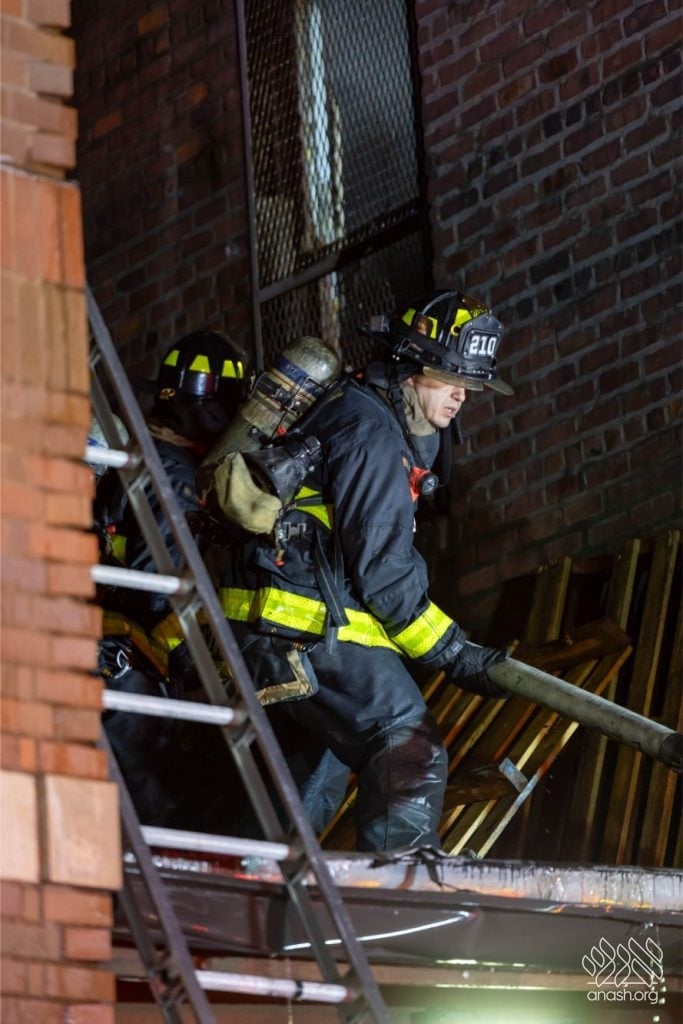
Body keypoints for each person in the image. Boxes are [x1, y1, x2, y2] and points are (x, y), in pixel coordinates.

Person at [215, 290, 514, 851]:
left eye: (470, 385)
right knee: (406, 742)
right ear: (409, 368)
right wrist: (453, 652)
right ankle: (401, 884)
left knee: (309, 784)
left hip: (272, 626)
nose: (461, 394)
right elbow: (383, 568)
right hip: (298, 625)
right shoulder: (371, 431)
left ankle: (252, 887)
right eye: (450, 378)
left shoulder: (362, 413)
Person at [95, 329, 249, 827]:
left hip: (105, 654)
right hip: (126, 668)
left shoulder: (140, 456)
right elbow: (161, 585)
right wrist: (211, 665)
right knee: (157, 817)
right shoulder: (174, 478)